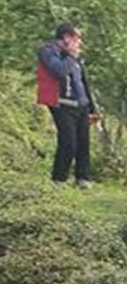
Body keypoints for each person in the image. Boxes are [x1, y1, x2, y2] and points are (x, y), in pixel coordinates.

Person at [36, 23, 99, 187]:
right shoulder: (48, 51)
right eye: (76, 38)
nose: (79, 43)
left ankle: (83, 178)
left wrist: (92, 108)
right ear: (66, 38)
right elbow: (58, 71)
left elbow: (83, 81)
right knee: (68, 142)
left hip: (81, 104)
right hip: (61, 103)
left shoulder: (75, 57)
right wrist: (71, 56)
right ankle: (59, 178)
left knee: (83, 143)